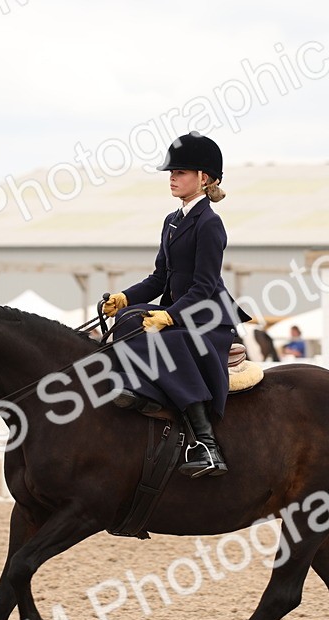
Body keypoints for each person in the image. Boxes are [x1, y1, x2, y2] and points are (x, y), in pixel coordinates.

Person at [102, 132, 251, 479]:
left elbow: (205, 285)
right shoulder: (172, 221)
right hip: (179, 313)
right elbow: (158, 279)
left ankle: (205, 443)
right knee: (127, 321)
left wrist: (169, 315)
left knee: (168, 342)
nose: (172, 177)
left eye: (181, 172)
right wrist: (124, 297)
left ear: (204, 178)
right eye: (172, 172)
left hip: (206, 318)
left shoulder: (210, 224)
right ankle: (139, 391)